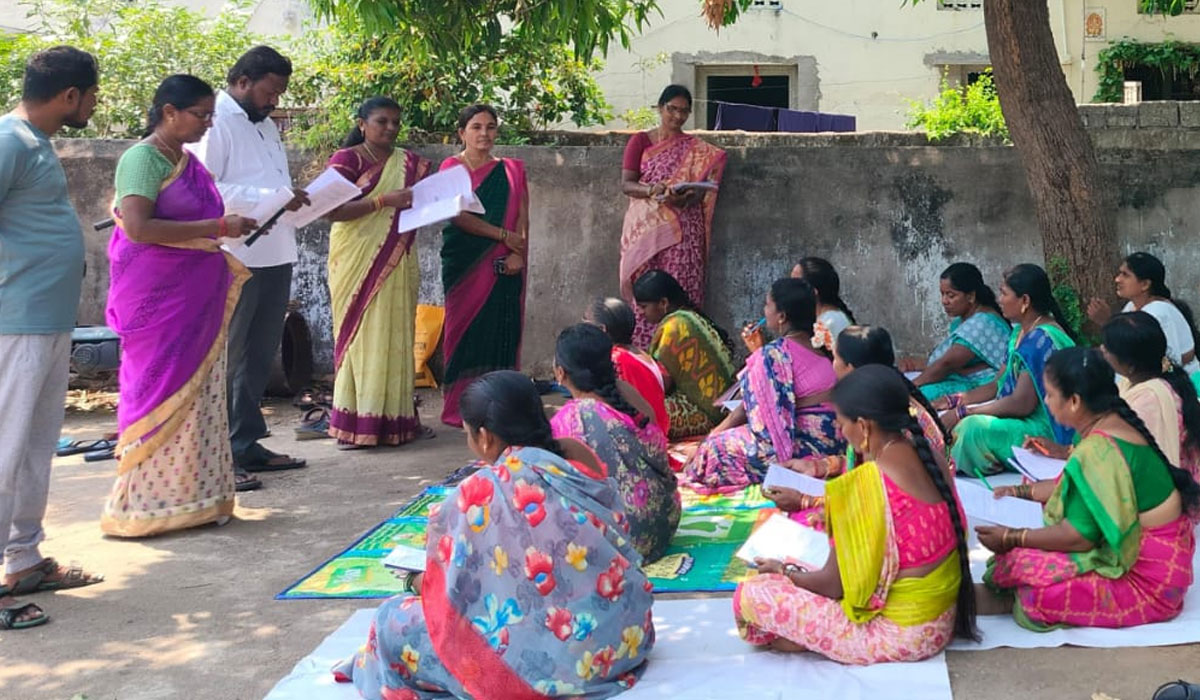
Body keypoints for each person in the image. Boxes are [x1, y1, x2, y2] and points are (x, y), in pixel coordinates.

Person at [334, 371, 654, 698]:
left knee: (391, 621)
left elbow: (453, 594)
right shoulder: (573, 457)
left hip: (558, 662)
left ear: (485, 437)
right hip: (621, 640)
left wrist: (418, 583)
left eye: (468, 435)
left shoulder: (479, 492)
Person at [734, 365, 976, 664]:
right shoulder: (931, 454)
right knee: (803, 563)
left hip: (900, 635)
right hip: (942, 620)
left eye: (840, 422)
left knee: (752, 593)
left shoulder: (863, 488)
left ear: (863, 427)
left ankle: (811, 637)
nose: (838, 431)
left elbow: (833, 586)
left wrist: (784, 572)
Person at [102, 75, 255, 537]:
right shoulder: (142, 159)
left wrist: (218, 228)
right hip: (156, 298)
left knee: (202, 393)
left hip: (194, 298)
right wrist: (220, 226)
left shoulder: (186, 160)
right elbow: (138, 228)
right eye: (201, 115)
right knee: (159, 386)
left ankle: (197, 498)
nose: (208, 124)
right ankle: (147, 504)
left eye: (211, 115)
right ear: (169, 112)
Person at [977, 347, 1198, 630]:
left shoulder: (1098, 448)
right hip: (1155, 556)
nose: (1046, 401)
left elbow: (1079, 537)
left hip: (1149, 583)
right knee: (1021, 556)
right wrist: (1018, 493)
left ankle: (1003, 599)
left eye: (1050, 395)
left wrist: (1011, 536)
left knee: (1033, 585)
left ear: (1074, 401)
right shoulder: (1111, 426)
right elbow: (1072, 485)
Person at [0, 45, 104, 630]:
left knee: (35, 447)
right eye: (91, 95)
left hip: (46, 320)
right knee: (5, 449)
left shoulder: (34, 144)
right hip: (14, 320)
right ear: (70, 96)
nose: (92, 104)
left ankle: (24, 559)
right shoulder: (10, 141)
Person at [190, 45, 308, 483]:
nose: (274, 100)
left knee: (259, 354)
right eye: (270, 91)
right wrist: (271, 198)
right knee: (233, 353)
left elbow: (271, 183)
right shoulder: (214, 121)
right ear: (242, 82)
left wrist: (292, 199)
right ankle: (221, 451)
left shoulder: (263, 125)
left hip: (276, 249)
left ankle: (246, 441)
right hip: (237, 254)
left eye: (278, 92)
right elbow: (206, 191)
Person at [324, 97, 432, 448]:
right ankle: (357, 422)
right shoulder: (348, 159)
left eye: (395, 122)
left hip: (397, 255)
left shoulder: (407, 162)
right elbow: (331, 210)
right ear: (361, 124)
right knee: (360, 334)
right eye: (382, 121)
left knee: (395, 333)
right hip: (356, 256)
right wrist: (383, 201)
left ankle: (396, 420)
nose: (389, 128)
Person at [765, 326, 952, 518]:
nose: (832, 364)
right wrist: (821, 467)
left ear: (851, 369)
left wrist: (806, 501)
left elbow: (877, 501)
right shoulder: (885, 406)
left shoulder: (886, 422)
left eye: (835, 358)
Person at [684, 278, 844, 494]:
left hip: (801, 447)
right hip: (835, 443)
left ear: (782, 316)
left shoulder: (773, 354)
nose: (764, 310)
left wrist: (708, 439)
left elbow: (749, 415)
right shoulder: (823, 350)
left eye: (767, 304)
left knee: (714, 449)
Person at [550, 324, 681, 562]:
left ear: (561, 372)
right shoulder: (625, 393)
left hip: (624, 543)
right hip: (665, 521)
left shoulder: (568, 420)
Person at [941, 264, 1077, 477]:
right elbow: (998, 384)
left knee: (971, 429)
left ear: (1025, 301)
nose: (999, 300)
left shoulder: (1041, 338)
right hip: (1022, 419)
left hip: (1046, 429)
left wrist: (964, 412)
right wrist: (955, 402)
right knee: (948, 418)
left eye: (1004, 293)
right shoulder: (1018, 334)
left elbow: (1021, 403)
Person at [439, 104, 529, 428]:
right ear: (462, 132)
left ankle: (499, 403)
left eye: (490, 127)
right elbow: (457, 216)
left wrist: (519, 252)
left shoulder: (511, 170)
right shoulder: (451, 168)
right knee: (463, 332)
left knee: (502, 329)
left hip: (507, 262)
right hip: (464, 263)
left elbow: (521, 214)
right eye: (476, 127)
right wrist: (502, 235)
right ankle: (462, 406)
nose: (484, 134)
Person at [620, 85, 727, 346]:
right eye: (672, 109)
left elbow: (701, 193)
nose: (677, 116)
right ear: (660, 108)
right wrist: (652, 190)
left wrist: (684, 197)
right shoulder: (641, 141)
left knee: (680, 290)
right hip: (647, 230)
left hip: (684, 231)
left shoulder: (697, 150)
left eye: (684, 111)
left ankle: (681, 352)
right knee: (646, 290)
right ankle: (646, 351)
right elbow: (627, 184)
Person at [1097, 312, 1200, 488]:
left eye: (1108, 348)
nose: (1102, 349)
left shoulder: (1149, 402)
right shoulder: (1133, 382)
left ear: (1130, 365)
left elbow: (1142, 469)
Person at [632, 269, 737, 440]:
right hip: (723, 407)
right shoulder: (690, 317)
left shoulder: (674, 326)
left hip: (706, 413)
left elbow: (661, 384)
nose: (641, 313)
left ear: (663, 303)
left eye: (644, 307)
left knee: (640, 412)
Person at [1088, 252, 1200, 392]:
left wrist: (1107, 322)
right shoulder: (1132, 306)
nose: (1117, 279)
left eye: (1125, 275)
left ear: (1145, 284)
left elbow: (1164, 364)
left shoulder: (1159, 312)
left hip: (1178, 388)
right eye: (1119, 274)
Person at [903, 262, 1011, 401]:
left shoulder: (981, 323)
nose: (944, 301)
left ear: (971, 296)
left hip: (986, 385)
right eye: (942, 294)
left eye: (951, 295)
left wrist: (912, 386)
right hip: (969, 377)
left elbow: (947, 364)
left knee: (920, 396)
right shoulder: (964, 321)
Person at [586, 296, 669, 437]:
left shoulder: (615, 359)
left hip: (645, 436)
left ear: (602, 329)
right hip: (659, 432)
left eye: (585, 322)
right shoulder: (638, 353)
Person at [791, 257, 856, 354]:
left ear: (813, 291)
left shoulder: (828, 323)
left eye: (794, 283)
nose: (789, 288)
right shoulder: (832, 316)